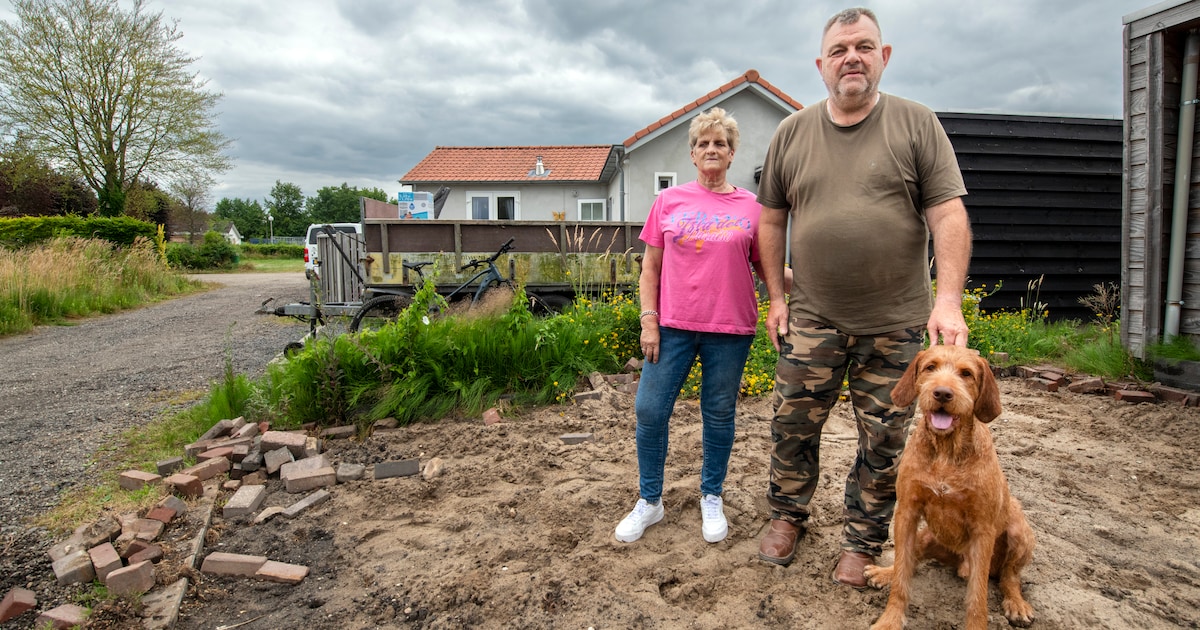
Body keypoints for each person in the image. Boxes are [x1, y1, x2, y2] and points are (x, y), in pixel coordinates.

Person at [754, 7, 973, 589]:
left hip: (896, 325)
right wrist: (776, 296)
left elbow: (948, 213)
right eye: (840, 49)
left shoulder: (916, 123)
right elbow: (770, 222)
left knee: (886, 438)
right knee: (792, 426)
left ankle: (862, 539)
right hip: (812, 318)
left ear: (884, 56)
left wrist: (947, 301)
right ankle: (786, 516)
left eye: (864, 46)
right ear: (821, 64)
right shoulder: (792, 132)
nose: (852, 57)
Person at [614, 107, 770, 544]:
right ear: (692, 153)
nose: (712, 149)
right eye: (703, 143)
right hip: (674, 327)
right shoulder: (669, 202)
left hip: (730, 327)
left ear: (732, 152)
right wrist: (649, 320)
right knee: (649, 409)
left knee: (718, 414)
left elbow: (767, 268)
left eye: (720, 143)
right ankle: (650, 501)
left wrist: (811, 284)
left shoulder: (752, 208)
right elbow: (650, 270)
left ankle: (711, 495)